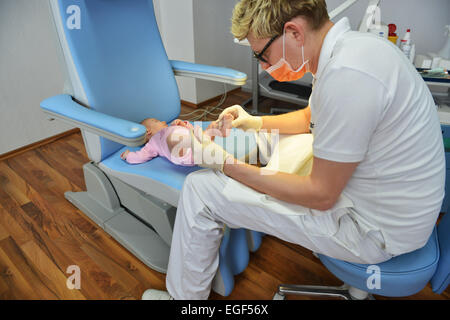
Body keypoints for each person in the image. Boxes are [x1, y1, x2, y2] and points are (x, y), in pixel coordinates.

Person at [143, 0, 445, 300]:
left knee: (200, 190)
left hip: (374, 232)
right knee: (264, 139)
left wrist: (223, 164)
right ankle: (227, 166)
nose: (263, 65)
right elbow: (308, 119)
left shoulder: (347, 77)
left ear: (294, 32)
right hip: (393, 201)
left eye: (262, 55)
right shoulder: (350, 50)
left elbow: (320, 195)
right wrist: (253, 123)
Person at [121, 115, 234, 165]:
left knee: (206, 130)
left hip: (196, 143)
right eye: (157, 121)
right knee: (171, 139)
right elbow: (140, 156)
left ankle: (217, 130)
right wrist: (128, 155)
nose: (164, 121)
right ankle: (209, 134)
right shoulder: (152, 143)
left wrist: (183, 124)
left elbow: (191, 130)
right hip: (182, 153)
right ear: (148, 131)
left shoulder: (171, 128)